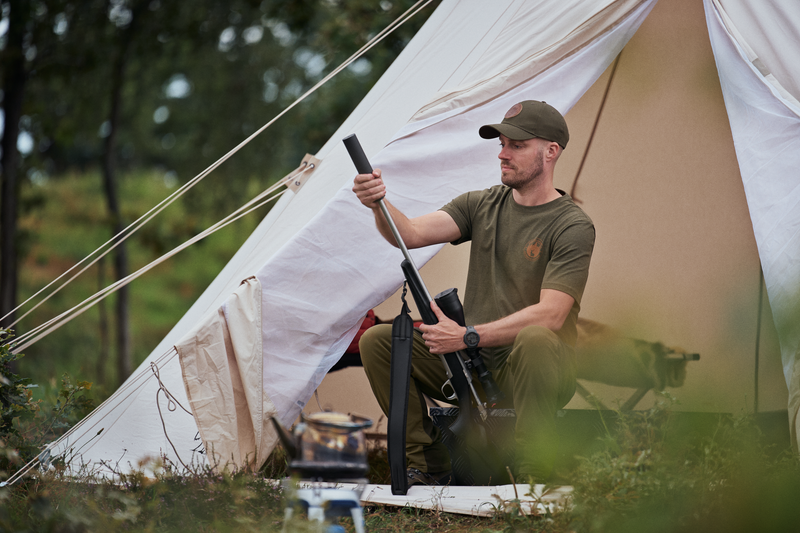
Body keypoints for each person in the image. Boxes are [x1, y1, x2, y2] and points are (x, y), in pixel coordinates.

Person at [352, 100, 595, 486]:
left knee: (535, 338)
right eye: (501, 143)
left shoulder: (572, 225)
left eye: (516, 145)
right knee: (381, 341)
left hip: (536, 367)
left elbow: (551, 315)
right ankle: (427, 462)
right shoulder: (479, 204)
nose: (502, 153)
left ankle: (532, 473)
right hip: (472, 362)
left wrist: (465, 336)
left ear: (550, 152)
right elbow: (410, 234)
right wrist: (377, 203)